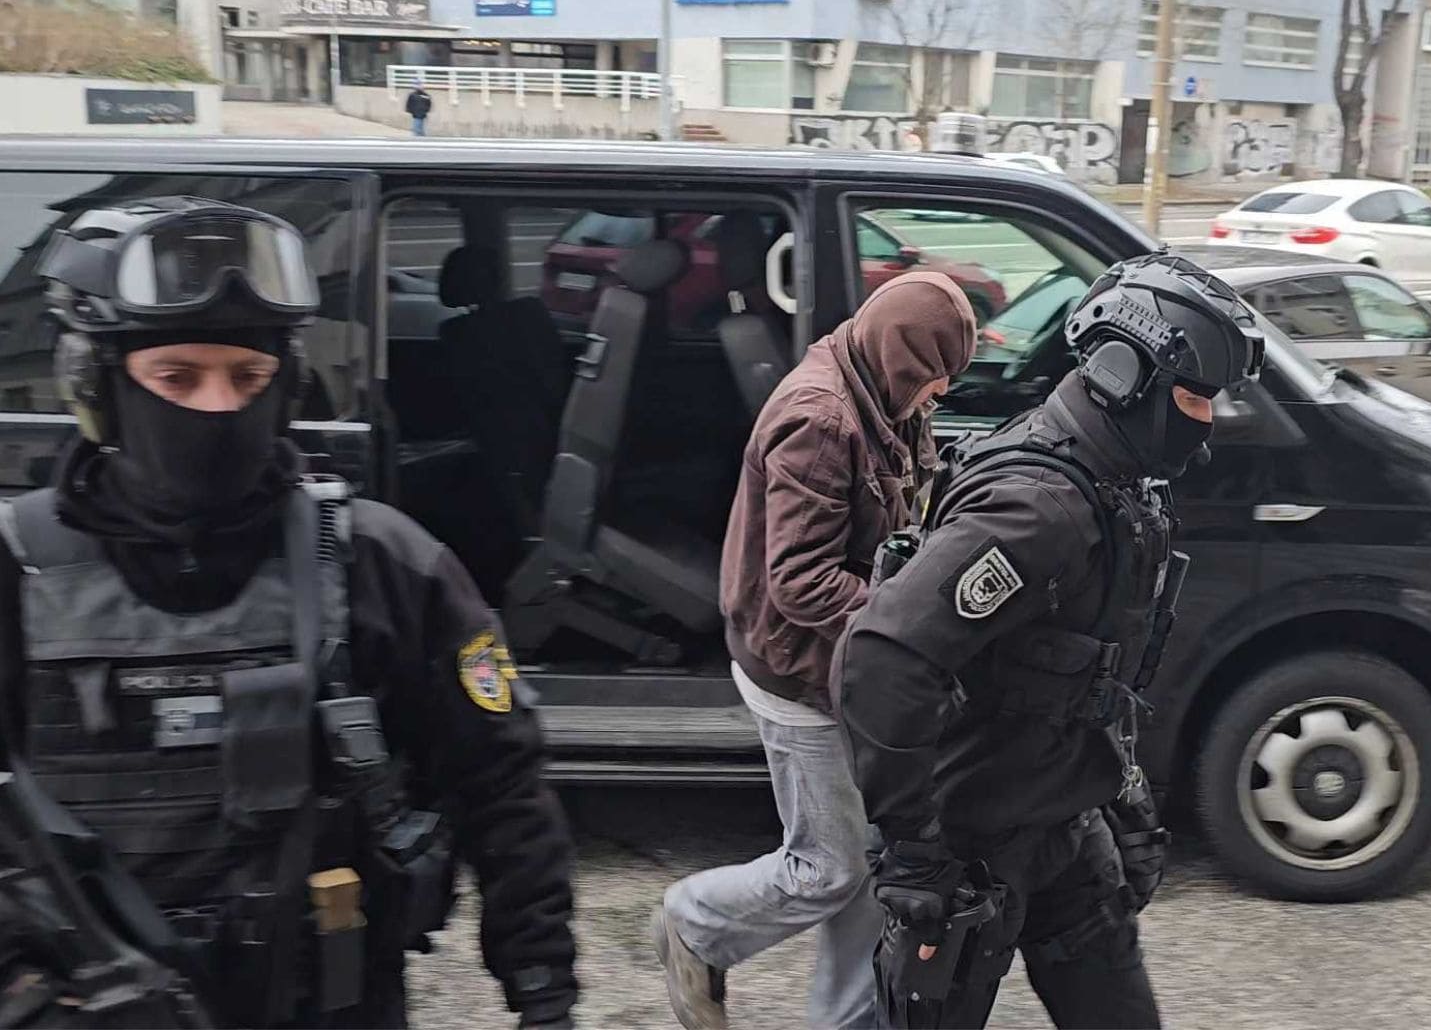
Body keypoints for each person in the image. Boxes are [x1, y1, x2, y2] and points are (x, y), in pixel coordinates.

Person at [0, 196, 578, 1028]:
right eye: (176, 377)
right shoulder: (18, 569)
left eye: (248, 376)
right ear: (96, 388)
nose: (216, 407)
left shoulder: (382, 563)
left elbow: (503, 789)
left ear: (288, 387)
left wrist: (545, 998)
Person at [835, 252, 1263, 1029]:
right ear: (1126, 374)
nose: (1208, 420)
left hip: (1064, 827)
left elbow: (1096, 665)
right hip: (971, 854)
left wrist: (1121, 791)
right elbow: (882, 658)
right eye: (1196, 395)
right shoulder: (1040, 512)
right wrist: (914, 847)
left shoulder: (1113, 483)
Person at [651, 273, 978, 1030]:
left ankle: (846, 1019)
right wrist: (912, 620)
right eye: (933, 378)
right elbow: (800, 583)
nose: (937, 395)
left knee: (871, 858)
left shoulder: (881, 388)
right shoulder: (822, 419)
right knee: (828, 868)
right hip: (797, 670)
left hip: (846, 663)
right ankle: (695, 923)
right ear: (902, 355)